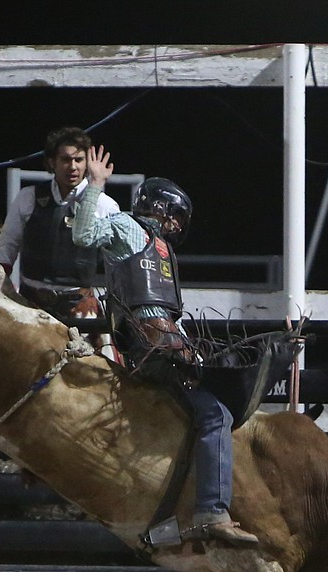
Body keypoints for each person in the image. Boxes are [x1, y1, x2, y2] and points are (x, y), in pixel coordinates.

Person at [70, 144, 259, 547]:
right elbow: (84, 233)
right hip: (150, 343)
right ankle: (212, 509)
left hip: (163, 338)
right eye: (175, 216)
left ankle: (179, 510)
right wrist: (95, 185)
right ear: (161, 209)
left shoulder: (159, 248)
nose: (177, 225)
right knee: (216, 415)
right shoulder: (127, 228)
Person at [0, 126, 122, 317]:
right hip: (31, 306)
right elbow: (7, 248)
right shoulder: (28, 197)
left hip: (81, 308)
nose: (73, 167)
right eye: (65, 160)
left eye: (79, 160)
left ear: (87, 163)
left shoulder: (105, 206)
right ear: (51, 162)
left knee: (108, 348)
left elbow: (119, 264)